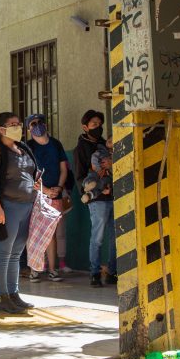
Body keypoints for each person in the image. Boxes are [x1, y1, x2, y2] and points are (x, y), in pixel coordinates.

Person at [0, 112, 38, 314]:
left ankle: (13, 294)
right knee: (2, 253)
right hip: (7, 208)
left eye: (19, 124)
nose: (18, 127)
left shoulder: (23, 148)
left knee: (15, 254)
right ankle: (1, 297)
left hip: (27, 207)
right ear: (0, 129)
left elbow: (31, 173)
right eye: (13, 124)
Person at [75, 110, 117, 287]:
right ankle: (94, 273)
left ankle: (112, 272)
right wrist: (90, 194)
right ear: (85, 127)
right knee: (98, 237)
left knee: (116, 236)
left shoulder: (105, 144)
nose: (97, 127)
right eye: (93, 124)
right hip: (96, 198)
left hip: (114, 194)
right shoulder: (81, 148)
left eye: (100, 124)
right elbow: (79, 176)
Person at [25, 114, 68, 282]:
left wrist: (58, 187)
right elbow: (27, 173)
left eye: (40, 122)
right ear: (28, 129)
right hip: (35, 195)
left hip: (55, 194)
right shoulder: (28, 147)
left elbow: (63, 168)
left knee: (51, 233)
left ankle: (52, 269)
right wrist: (45, 190)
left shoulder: (56, 144)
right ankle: (34, 269)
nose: (37, 126)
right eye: (33, 124)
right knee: (34, 232)